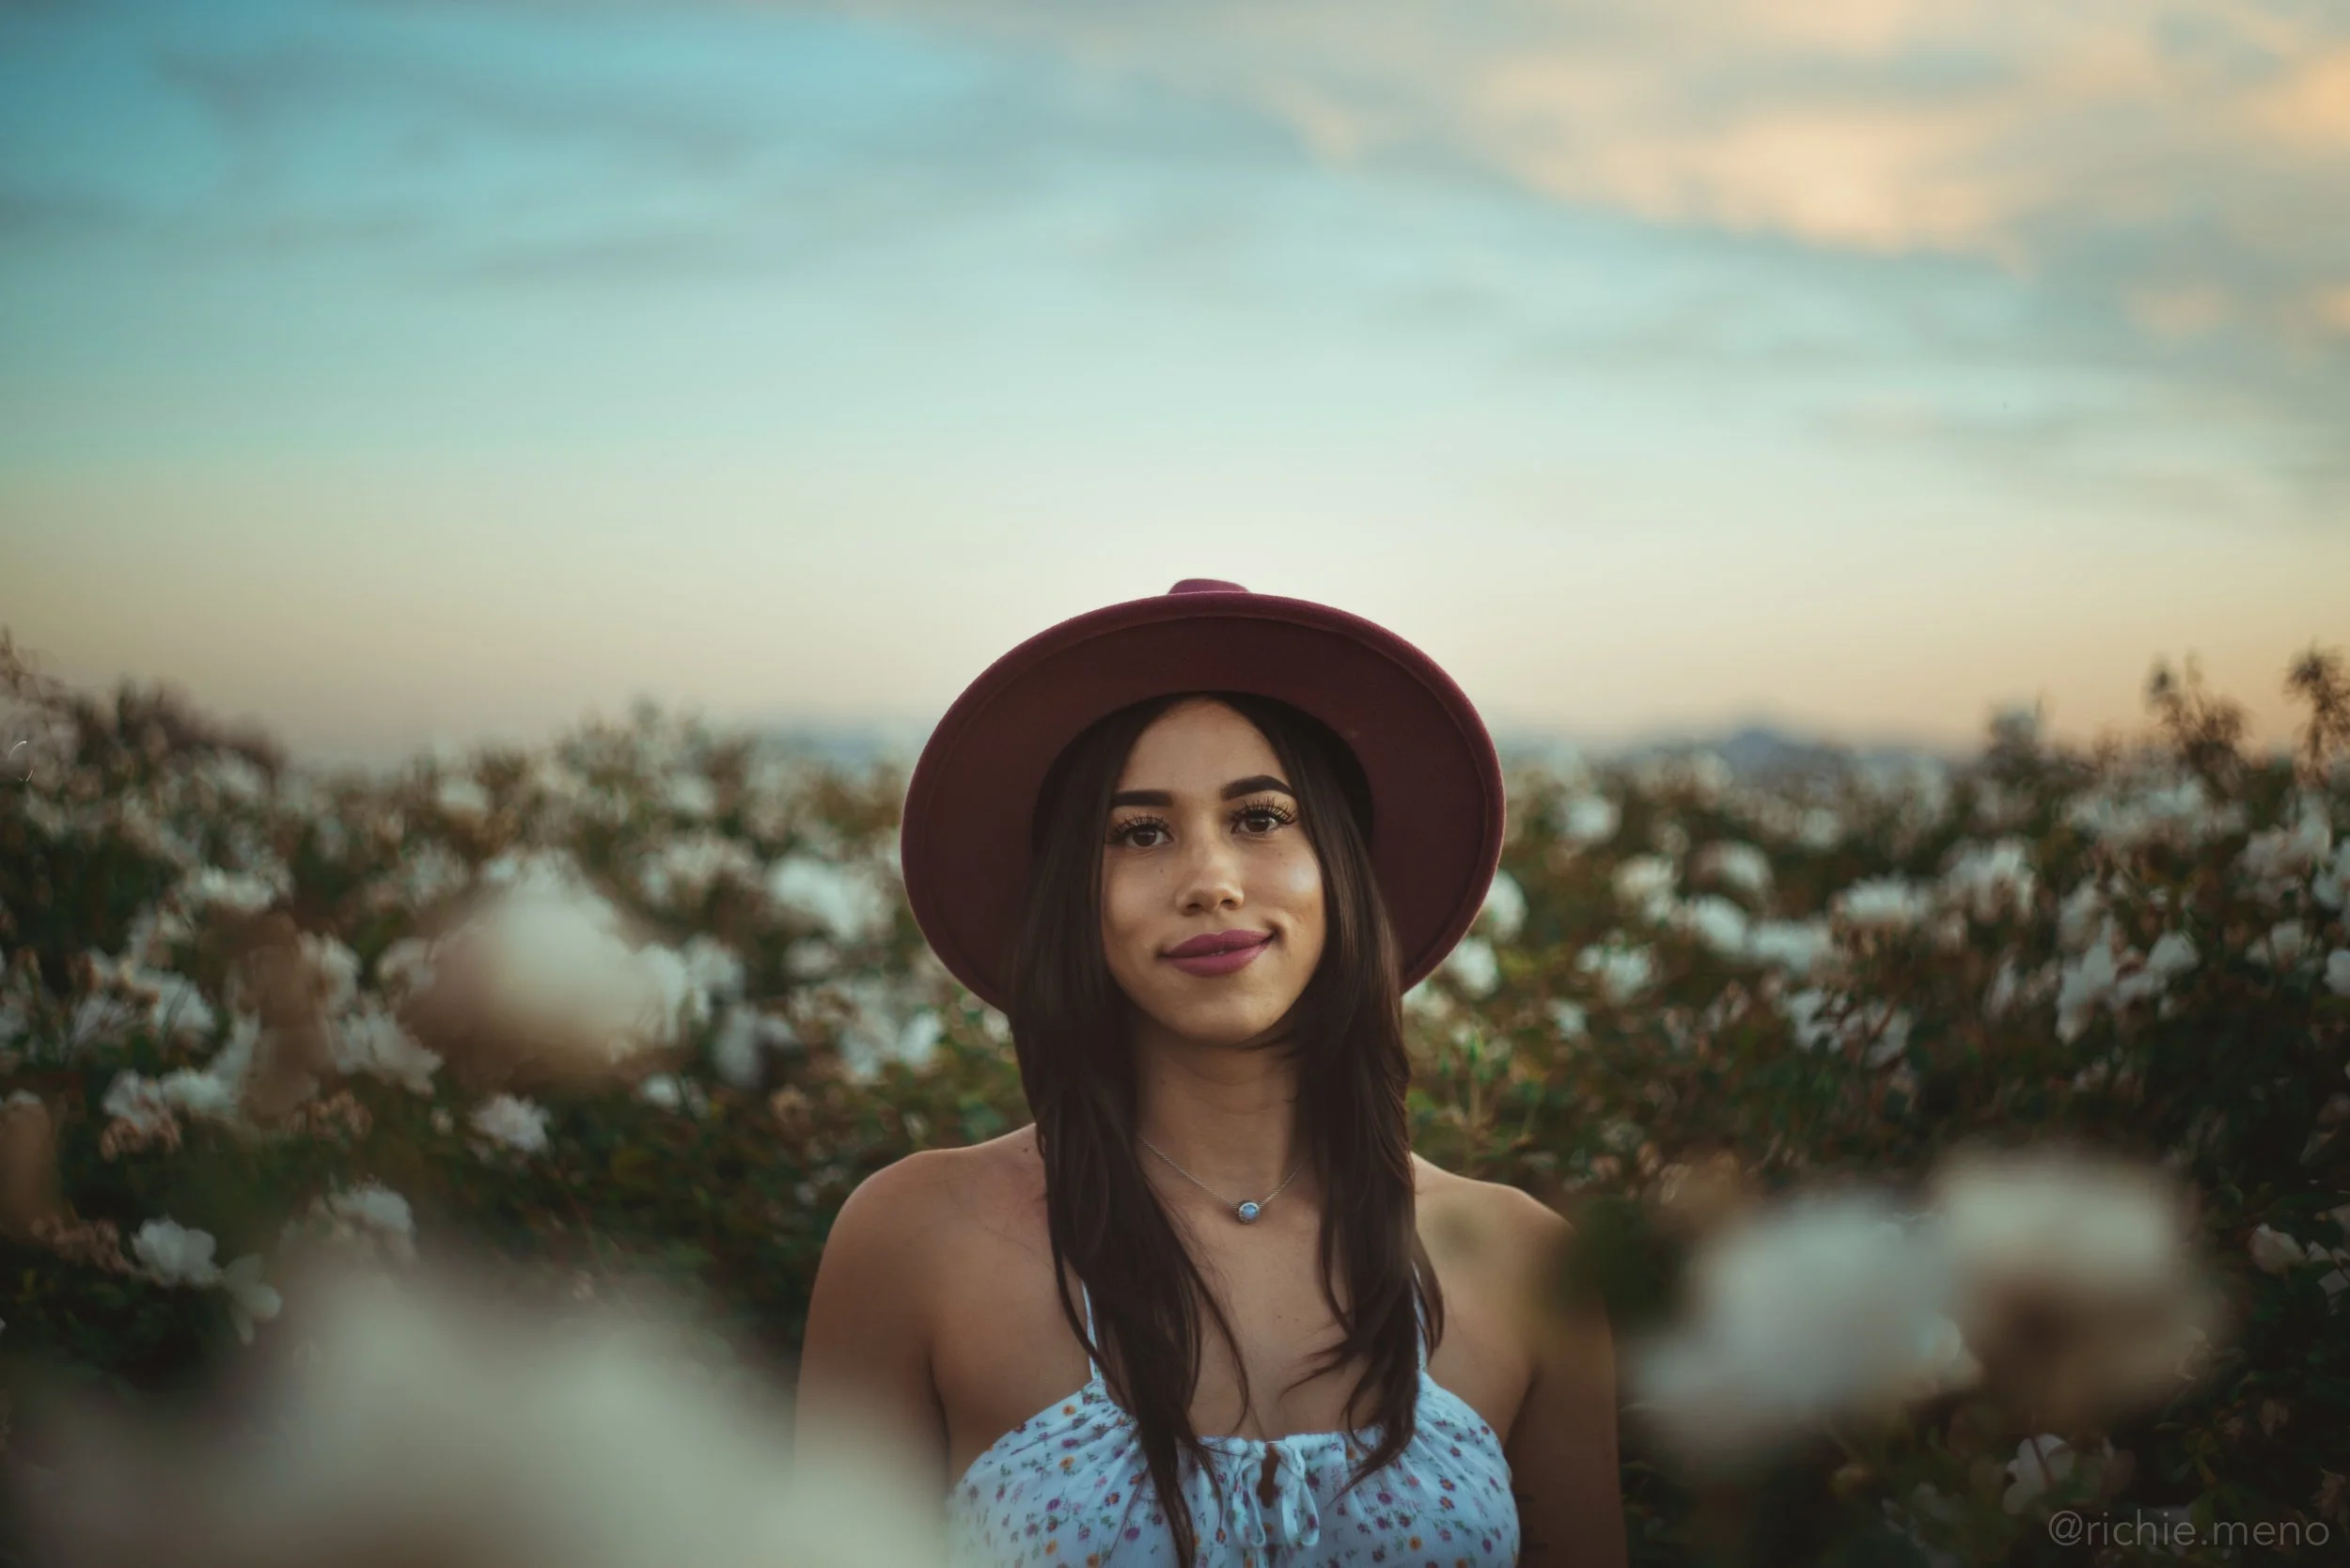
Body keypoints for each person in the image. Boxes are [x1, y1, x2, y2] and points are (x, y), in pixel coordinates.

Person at [794, 580, 1625, 1567]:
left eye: (1262, 818)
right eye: (1139, 833)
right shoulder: (915, 1237)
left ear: (1342, 867)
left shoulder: (1527, 1263)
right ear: (1073, 896)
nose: (1210, 881)